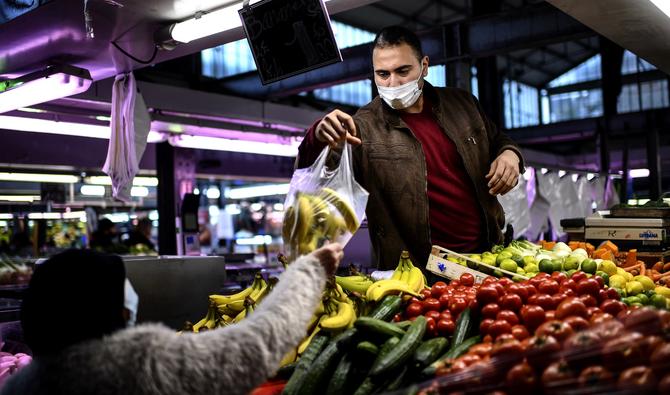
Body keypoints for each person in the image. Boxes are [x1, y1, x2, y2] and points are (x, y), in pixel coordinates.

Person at [296, 26, 524, 269]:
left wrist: (510, 154)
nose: (393, 83)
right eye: (383, 74)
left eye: (402, 71)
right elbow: (315, 177)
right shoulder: (363, 128)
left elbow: (498, 138)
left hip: (488, 255)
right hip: (417, 271)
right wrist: (316, 137)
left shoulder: (463, 104)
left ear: (424, 66)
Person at [1, 243, 344, 395]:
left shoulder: (22, 385)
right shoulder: (140, 363)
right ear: (112, 310)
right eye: (124, 291)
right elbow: (259, 344)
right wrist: (309, 272)